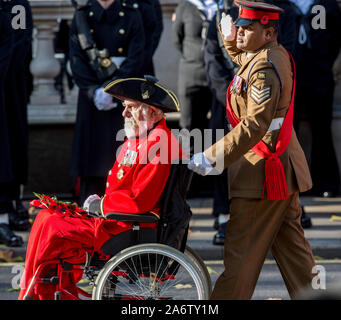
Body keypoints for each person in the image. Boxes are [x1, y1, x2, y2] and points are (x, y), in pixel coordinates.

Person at [188, 0, 316, 299]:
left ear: (268, 33)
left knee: (240, 256)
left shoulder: (264, 69)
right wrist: (230, 40)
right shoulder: (267, 56)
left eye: (247, 28)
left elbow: (254, 125)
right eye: (240, 27)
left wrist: (211, 156)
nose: (241, 32)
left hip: (262, 172)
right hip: (279, 168)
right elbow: (242, 64)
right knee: (297, 259)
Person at [18, 76, 184, 300]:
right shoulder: (142, 137)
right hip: (117, 219)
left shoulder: (159, 142)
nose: (124, 113)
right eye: (125, 107)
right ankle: (41, 290)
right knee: (47, 215)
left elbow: (140, 202)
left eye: (131, 107)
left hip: (125, 225)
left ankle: (41, 293)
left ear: (152, 112)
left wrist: (101, 204)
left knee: (52, 223)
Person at [69, 0, 145, 205]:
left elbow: (137, 56)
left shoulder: (131, 15)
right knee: (91, 161)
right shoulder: (82, 16)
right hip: (92, 99)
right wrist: (93, 90)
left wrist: (115, 89)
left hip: (122, 100)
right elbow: (76, 59)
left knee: (120, 159)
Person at [289, 0, 341, 197]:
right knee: (287, 132)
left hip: (318, 76)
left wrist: (324, 61)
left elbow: (336, 36)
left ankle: (325, 183)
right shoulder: (279, 3)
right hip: (288, 76)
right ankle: (291, 182)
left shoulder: (327, 4)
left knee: (321, 128)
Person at [203, 0, 239, 244]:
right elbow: (212, 62)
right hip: (224, 100)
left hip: (258, 100)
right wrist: (231, 97)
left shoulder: (266, 15)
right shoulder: (219, 17)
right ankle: (224, 216)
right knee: (221, 160)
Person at [0, 0, 33, 247]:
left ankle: (6, 210)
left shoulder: (15, 6)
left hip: (8, 85)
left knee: (8, 150)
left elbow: (17, 44)